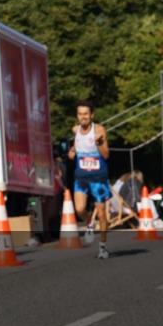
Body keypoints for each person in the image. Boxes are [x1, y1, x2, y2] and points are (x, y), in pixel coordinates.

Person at [67, 102, 111, 259]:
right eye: (80, 114)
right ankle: (89, 224)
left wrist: (98, 144)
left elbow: (106, 155)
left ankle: (103, 247)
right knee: (79, 209)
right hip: (81, 177)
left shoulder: (99, 130)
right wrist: (71, 154)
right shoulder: (75, 130)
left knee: (102, 214)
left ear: (92, 115)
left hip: (98, 177)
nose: (83, 117)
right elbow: (74, 150)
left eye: (86, 114)